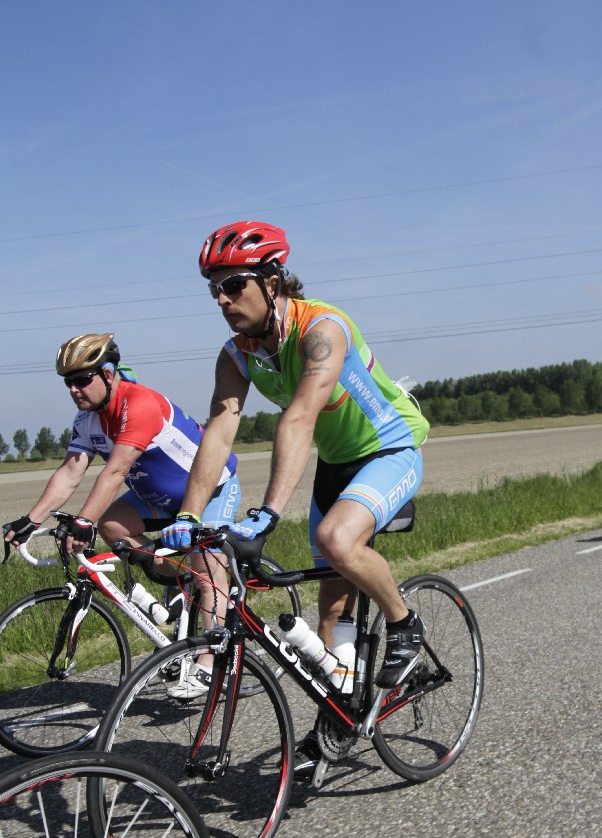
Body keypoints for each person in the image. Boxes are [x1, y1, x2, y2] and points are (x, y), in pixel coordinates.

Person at [162, 220, 430, 776]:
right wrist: (188, 513)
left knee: (336, 540)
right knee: (329, 614)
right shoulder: (237, 354)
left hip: (389, 448)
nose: (221, 299)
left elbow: (301, 417)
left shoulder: (322, 330)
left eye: (233, 285)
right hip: (336, 463)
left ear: (272, 280)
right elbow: (219, 431)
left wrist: (266, 513)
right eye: (214, 288)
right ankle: (339, 718)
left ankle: (405, 624)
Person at [3, 333, 241, 695]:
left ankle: (210, 661)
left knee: (205, 564)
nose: (74, 390)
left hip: (212, 488)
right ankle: (183, 584)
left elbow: (115, 471)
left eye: (82, 379)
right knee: (113, 526)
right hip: (161, 498)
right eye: (68, 383)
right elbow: (70, 472)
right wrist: (30, 520)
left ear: (108, 374)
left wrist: (81, 521)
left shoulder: (138, 404)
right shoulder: (88, 419)